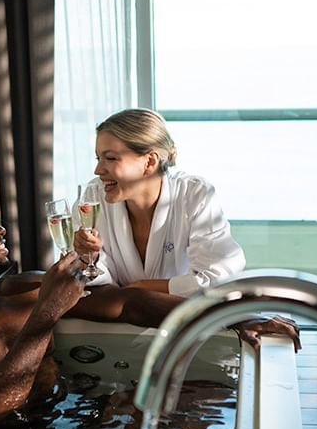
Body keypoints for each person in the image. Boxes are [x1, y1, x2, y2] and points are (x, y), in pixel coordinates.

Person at [0, 186, 298, 429]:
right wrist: (47, 313)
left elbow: (131, 304)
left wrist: (233, 318)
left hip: (71, 417)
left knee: (185, 411)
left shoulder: (23, 289)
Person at [73, 108, 244, 297]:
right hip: (117, 321)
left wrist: (141, 287)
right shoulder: (92, 198)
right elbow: (87, 285)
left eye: (111, 158)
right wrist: (91, 258)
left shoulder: (194, 195)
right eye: (98, 158)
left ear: (150, 162)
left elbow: (218, 277)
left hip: (178, 318)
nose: (98, 170)